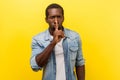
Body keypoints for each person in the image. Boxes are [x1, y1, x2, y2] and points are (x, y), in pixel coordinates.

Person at [30, 3, 85, 80]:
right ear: (46, 20)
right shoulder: (38, 39)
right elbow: (35, 66)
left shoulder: (74, 37)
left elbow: (80, 63)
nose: (56, 20)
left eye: (58, 17)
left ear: (63, 18)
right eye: (52, 17)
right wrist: (53, 43)